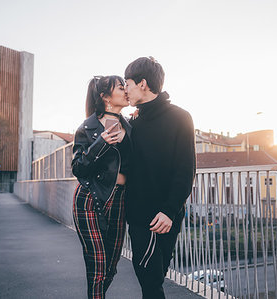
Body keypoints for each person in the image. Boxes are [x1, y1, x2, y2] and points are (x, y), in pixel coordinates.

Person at [124, 57, 196, 298]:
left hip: (166, 217)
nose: (125, 89)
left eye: (128, 83)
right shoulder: (134, 123)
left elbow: (186, 170)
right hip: (138, 217)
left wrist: (169, 210)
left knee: (153, 280)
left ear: (143, 84)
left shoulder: (180, 117)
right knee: (151, 282)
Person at [72, 75, 131, 299]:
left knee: (111, 267)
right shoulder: (87, 128)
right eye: (120, 87)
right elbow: (78, 168)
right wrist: (100, 144)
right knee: (97, 265)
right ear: (105, 96)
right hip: (90, 199)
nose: (126, 90)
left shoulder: (130, 125)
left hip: (119, 200)